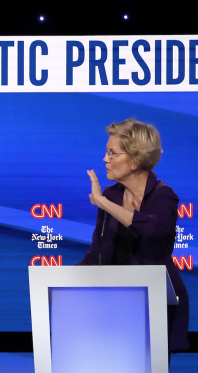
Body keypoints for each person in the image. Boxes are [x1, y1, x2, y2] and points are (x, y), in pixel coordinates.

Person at [78, 118, 189, 352]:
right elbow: (97, 253)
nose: (104, 159)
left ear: (135, 161)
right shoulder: (111, 195)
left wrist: (103, 204)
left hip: (155, 306)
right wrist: (60, 279)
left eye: (112, 153)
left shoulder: (163, 196)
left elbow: (152, 229)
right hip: (113, 305)